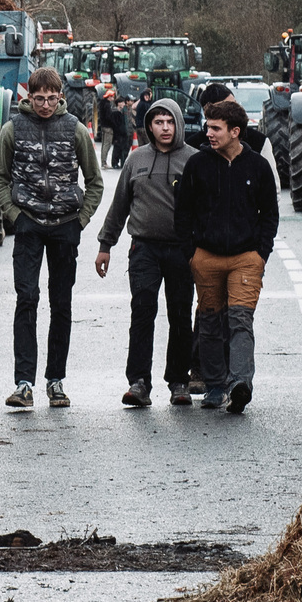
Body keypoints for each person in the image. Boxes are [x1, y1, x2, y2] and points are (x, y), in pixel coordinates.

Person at [0, 65, 104, 408]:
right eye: (39, 98)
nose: (45, 105)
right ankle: (24, 384)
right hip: (29, 226)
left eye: (51, 99)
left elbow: (94, 181)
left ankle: (56, 382)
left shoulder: (75, 129)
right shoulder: (13, 130)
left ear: (61, 98)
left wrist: (80, 221)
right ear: (29, 97)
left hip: (65, 225)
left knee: (61, 304)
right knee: (26, 299)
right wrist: (15, 216)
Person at [176, 83, 281, 412]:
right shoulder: (197, 164)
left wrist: (260, 253)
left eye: (215, 128)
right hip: (205, 256)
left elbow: (270, 214)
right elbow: (183, 212)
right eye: (208, 127)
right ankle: (214, 385)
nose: (208, 133)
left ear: (235, 132)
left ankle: (239, 384)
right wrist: (191, 253)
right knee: (209, 322)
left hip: (245, 259)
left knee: (240, 320)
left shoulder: (257, 167)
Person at [93, 98, 197, 407]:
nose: (165, 128)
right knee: (142, 311)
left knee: (180, 314)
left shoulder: (193, 160)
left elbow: (206, 210)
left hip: (182, 250)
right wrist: (105, 245)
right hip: (144, 249)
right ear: (149, 126)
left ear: (178, 123)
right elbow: (119, 205)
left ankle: (179, 381)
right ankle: (138, 382)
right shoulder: (136, 160)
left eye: (170, 122)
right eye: (158, 122)